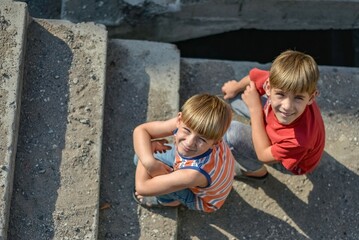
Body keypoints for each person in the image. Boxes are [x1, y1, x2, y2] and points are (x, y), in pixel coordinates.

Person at [221, 50, 325, 177]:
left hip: (294, 160)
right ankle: (261, 128)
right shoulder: (284, 81)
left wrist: (255, 110)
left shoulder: (299, 140)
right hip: (278, 131)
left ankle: (256, 173)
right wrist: (236, 87)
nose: (287, 106)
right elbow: (253, 79)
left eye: (298, 98)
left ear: (311, 98)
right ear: (269, 87)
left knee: (232, 134)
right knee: (235, 97)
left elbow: (263, 155)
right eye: (281, 94)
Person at [133, 93, 235, 212]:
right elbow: (141, 130)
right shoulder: (206, 131)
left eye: (201, 139)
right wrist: (149, 162)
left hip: (203, 200)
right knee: (145, 156)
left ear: (215, 142)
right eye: (186, 130)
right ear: (179, 119)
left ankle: (169, 202)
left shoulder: (193, 175)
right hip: (215, 175)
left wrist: (150, 153)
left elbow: (142, 187)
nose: (190, 142)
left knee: (144, 160)